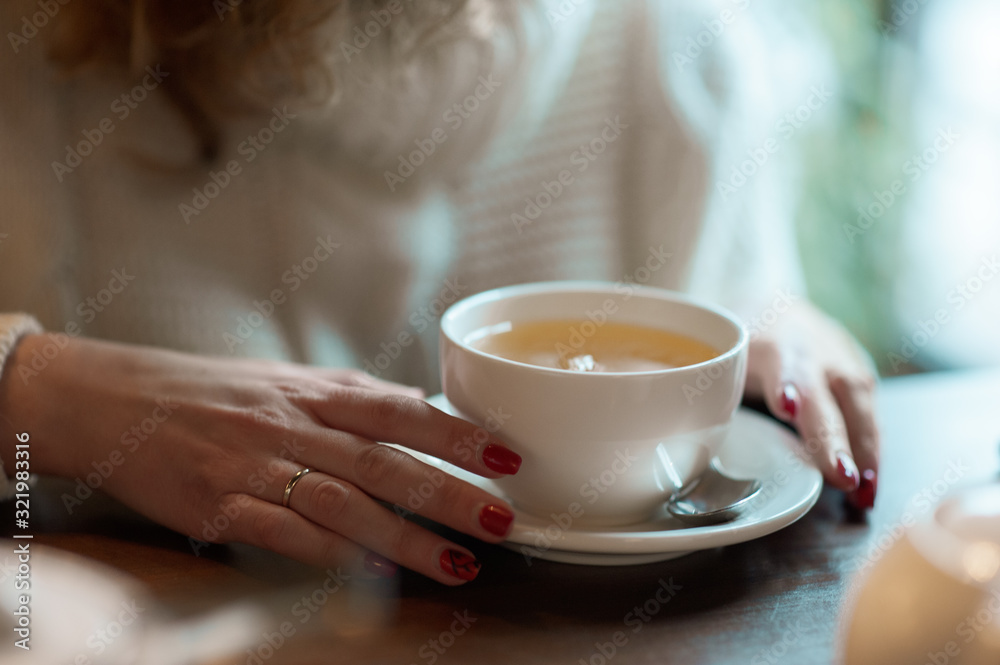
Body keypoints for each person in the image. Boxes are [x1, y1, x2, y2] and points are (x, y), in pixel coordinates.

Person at [0, 0, 878, 585]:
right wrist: (37, 388)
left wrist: (778, 340)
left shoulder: (675, 43)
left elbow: (742, 296)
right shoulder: (36, 55)